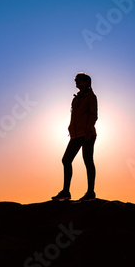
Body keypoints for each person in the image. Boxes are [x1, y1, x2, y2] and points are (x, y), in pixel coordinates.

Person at [52, 72, 98, 201]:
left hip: (87, 134)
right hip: (75, 135)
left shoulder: (91, 97)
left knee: (88, 161)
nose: (76, 82)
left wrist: (88, 130)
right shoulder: (76, 98)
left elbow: (93, 115)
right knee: (66, 160)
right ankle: (66, 192)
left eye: (78, 80)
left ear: (86, 82)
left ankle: (90, 192)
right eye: (75, 80)